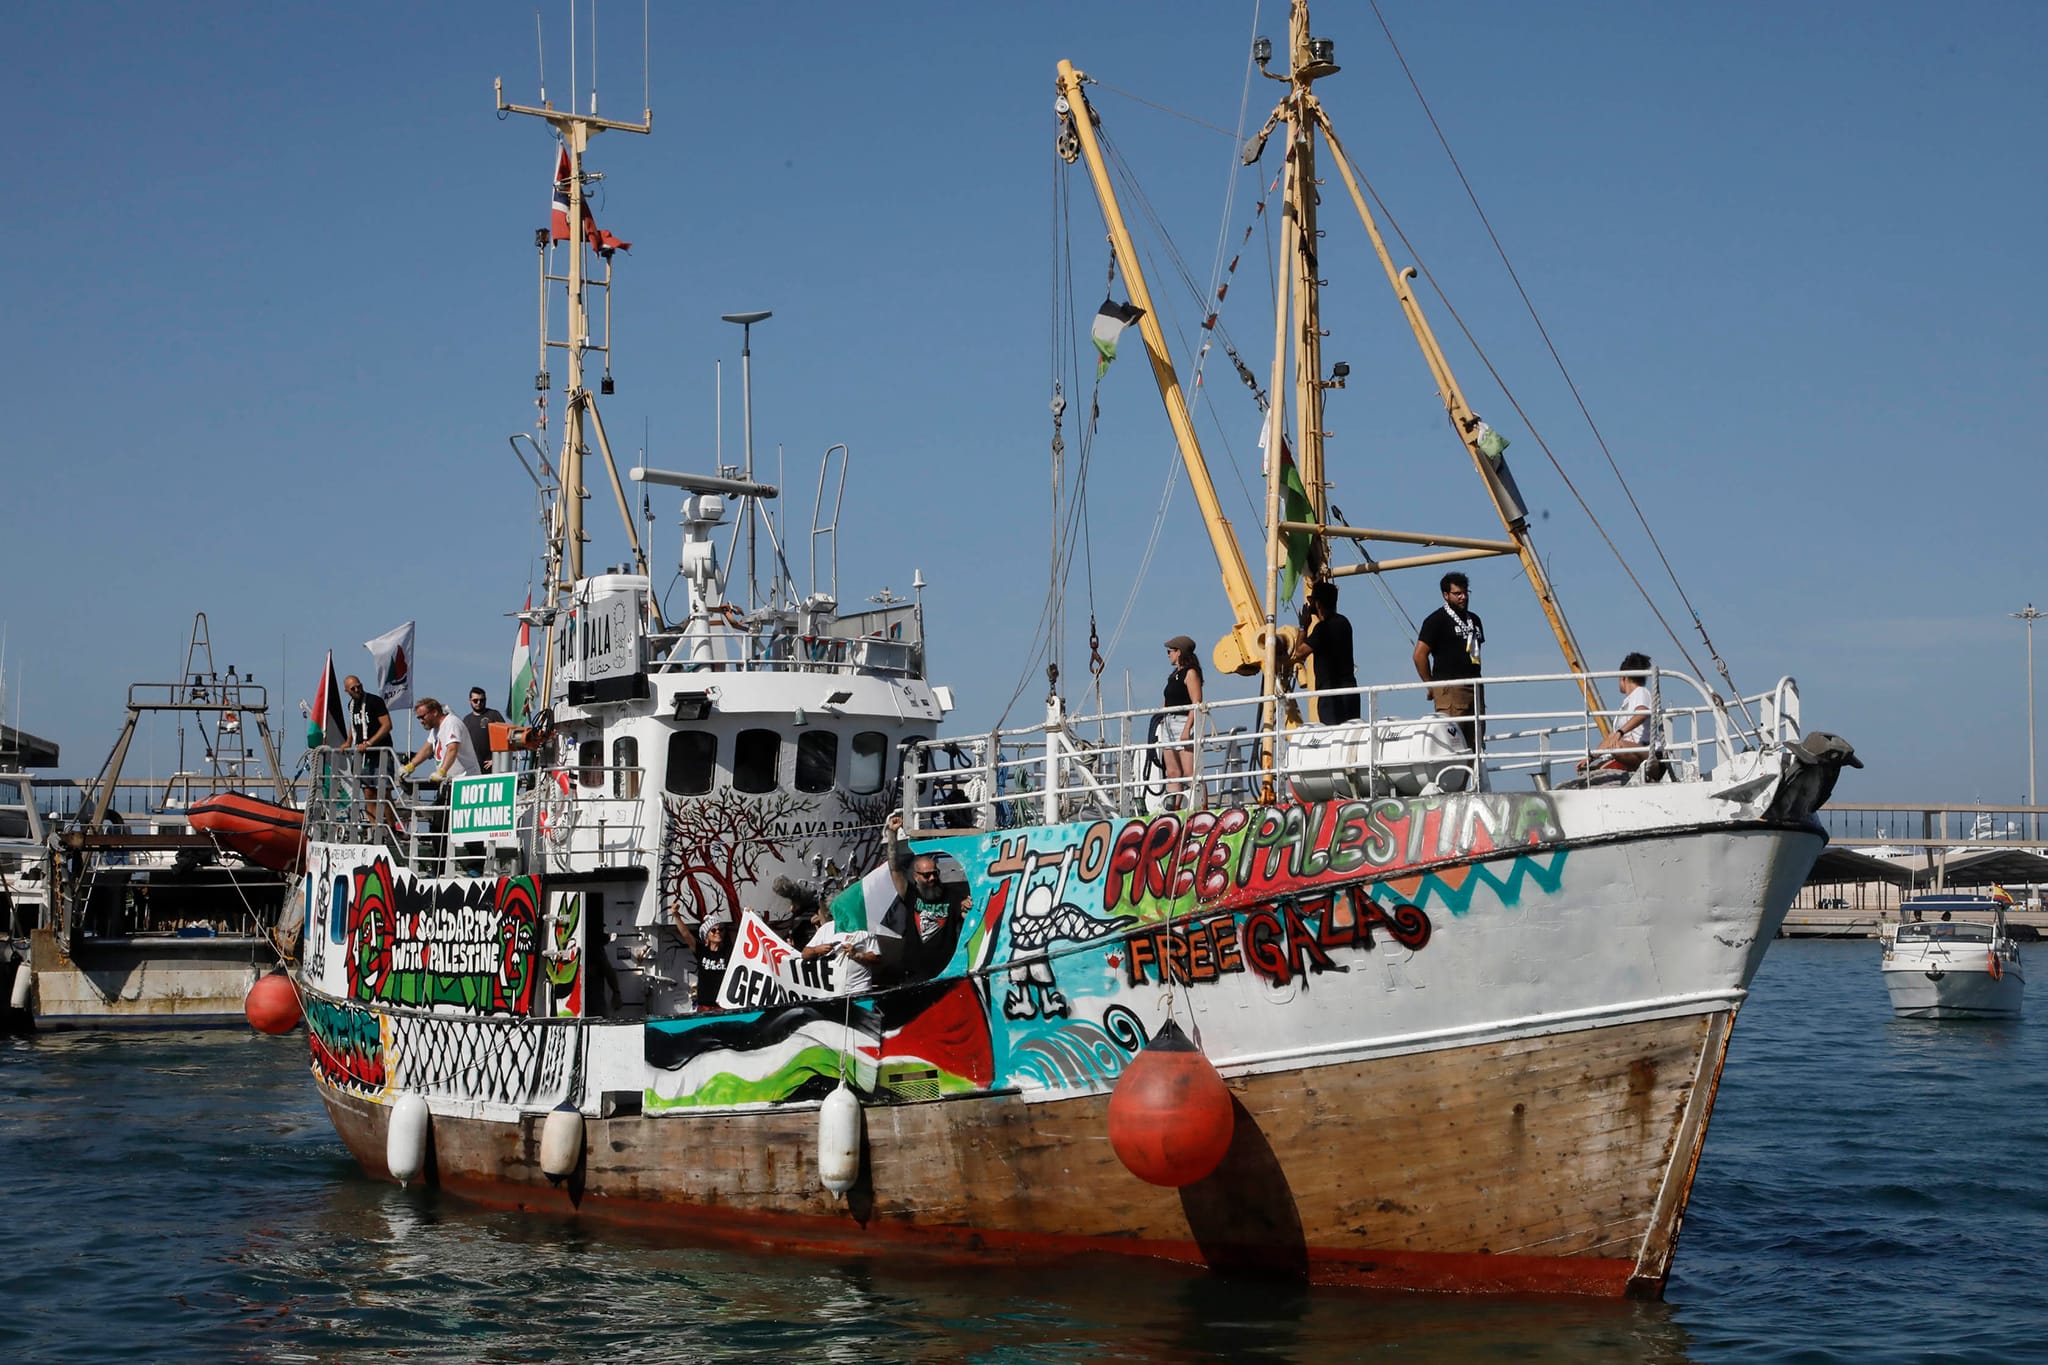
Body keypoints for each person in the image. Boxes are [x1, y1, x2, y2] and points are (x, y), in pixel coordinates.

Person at [884, 811, 968, 981]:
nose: (932, 878)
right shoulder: (910, 894)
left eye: (934, 873)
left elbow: (966, 914)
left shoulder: (952, 895)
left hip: (945, 972)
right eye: (926, 875)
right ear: (916, 876)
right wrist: (892, 834)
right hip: (914, 972)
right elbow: (894, 867)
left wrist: (967, 906)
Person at [400, 698, 481, 870]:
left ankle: (475, 865)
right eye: (418, 718)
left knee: (467, 826)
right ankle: (439, 866)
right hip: (449, 784)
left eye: (422, 716)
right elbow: (428, 748)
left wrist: (443, 770)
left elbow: (453, 748)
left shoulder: (451, 723)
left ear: (435, 712)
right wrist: (411, 765)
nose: (421, 721)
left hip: (465, 782)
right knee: (438, 825)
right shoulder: (436, 729)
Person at [1413, 572, 1484, 749]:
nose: (1463, 597)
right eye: (1457, 593)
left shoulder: (1474, 619)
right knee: (1453, 741)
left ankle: (1473, 769)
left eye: (1465, 592)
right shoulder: (1436, 620)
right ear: (1446, 595)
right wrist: (1430, 684)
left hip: (1475, 686)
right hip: (1450, 688)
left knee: (1475, 741)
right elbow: (1419, 655)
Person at [1290, 579, 1358, 725]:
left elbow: (1299, 653)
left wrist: (1303, 626)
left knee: (1332, 734)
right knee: (1352, 732)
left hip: (1330, 695)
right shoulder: (1344, 622)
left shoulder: (1322, 629)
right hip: (1350, 691)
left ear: (1318, 604)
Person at [1580, 653, 1656, 776]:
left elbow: (1641, 714)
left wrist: (1620, 732)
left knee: (1617, 746)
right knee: (1600, 765)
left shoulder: (1641, 692)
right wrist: (1590, 758)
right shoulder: (1628, 702)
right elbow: (1612, 737)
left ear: (1624, 677)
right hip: (1633, 751)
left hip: (1647, 751)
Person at [343, 675, 395, 826]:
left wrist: (370, 742)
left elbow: (387, 725)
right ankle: (375, 829)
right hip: (364, 756)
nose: (357, 689)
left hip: (380, 753)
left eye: (358, 686)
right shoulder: (351, 705)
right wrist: (348, 742)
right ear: (347, 691)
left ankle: (392, 828)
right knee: (368, 793)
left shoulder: (374, 701)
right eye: (353, 688)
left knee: (384, 792)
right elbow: (354, 724)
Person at [1161, 635, 1205, 808]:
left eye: (1170, 651)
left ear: (1178, 652)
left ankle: (1201, 806)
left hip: (1183, 721)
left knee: (1189, 772)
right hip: (1169, 723)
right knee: (1172, 772)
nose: (1168, 655)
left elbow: (1196, 702)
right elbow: (1167, 699)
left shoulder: (1190, 673)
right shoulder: (1174, 675)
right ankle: (1174, 808)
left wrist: (1187, 728)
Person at [802, 900, 881, 995]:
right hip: (830, 992)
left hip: (859, 990)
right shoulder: (826, 928)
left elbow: (877, 958)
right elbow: (805, 954)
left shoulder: (866, 929)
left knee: (865, 1005)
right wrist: (817, 950)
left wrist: (858, 955)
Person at [461, 688, 507, 774]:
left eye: (482, 700)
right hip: (474, 768)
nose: (479, 703)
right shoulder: (466, 720)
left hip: (492, 767)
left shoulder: (494, 715)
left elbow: (505, 737)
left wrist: (496, 760)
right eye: (475, 701)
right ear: (470, 701)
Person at [692, 918, 733, 1010]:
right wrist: (676, 915)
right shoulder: (702, 951)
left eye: (720, 929)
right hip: (705, 1006)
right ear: (707, 935)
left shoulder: (729, 952)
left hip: (723, 1005)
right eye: (713, 930)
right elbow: (686, 934)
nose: (718, 932)